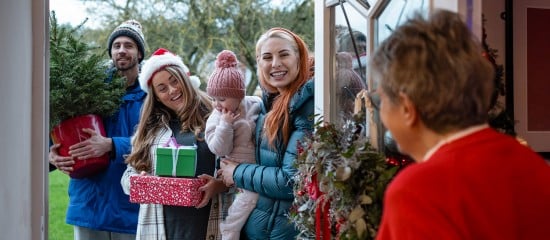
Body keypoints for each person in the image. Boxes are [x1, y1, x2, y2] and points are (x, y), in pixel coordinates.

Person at [369, 10, 550, 240]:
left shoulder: (418, 192)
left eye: (380, 99)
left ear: (407, 108)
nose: (380, 112)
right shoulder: (533, 166)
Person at [49, 19, 147, 239]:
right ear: (110, 52)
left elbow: (158, 143)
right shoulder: (88, 91)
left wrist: (111, 145)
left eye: (129, 45)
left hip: (132, 209)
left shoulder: (151, 97)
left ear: (139, 54)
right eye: (117, 45)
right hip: (89, 205)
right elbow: (61, 127)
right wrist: (51, 154)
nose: (122, 50)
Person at [120, 48, 229, 240]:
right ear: (156, 95)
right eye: (162, 88)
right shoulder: (150, 130)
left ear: (185, 79)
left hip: (208, 227)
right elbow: (127, 177)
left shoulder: (217, 118)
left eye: (174, 81)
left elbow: (241, 169)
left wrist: (220, 185)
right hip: (161, 231)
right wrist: (140, 181)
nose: (172, 90)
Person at [218, 27, 314, 240]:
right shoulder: (266, 106)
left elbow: (291, 182)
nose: (276, 64)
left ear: (299, 57)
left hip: (289, 232)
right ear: (259, 63)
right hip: (261, 229)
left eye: (284, 54)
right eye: (267, 57)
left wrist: (237, 172)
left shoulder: (307, 106)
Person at [204, 50, 262, 240]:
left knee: (254, 200)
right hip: (233, 170)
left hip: (255, 168)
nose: (217, 104)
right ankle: (230, 228)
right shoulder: (216, 118)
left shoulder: (254, 104)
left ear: (239, 96)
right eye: (213, 99)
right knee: (249, 198)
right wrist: (225, 125)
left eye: (221, 99)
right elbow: (219, 149)